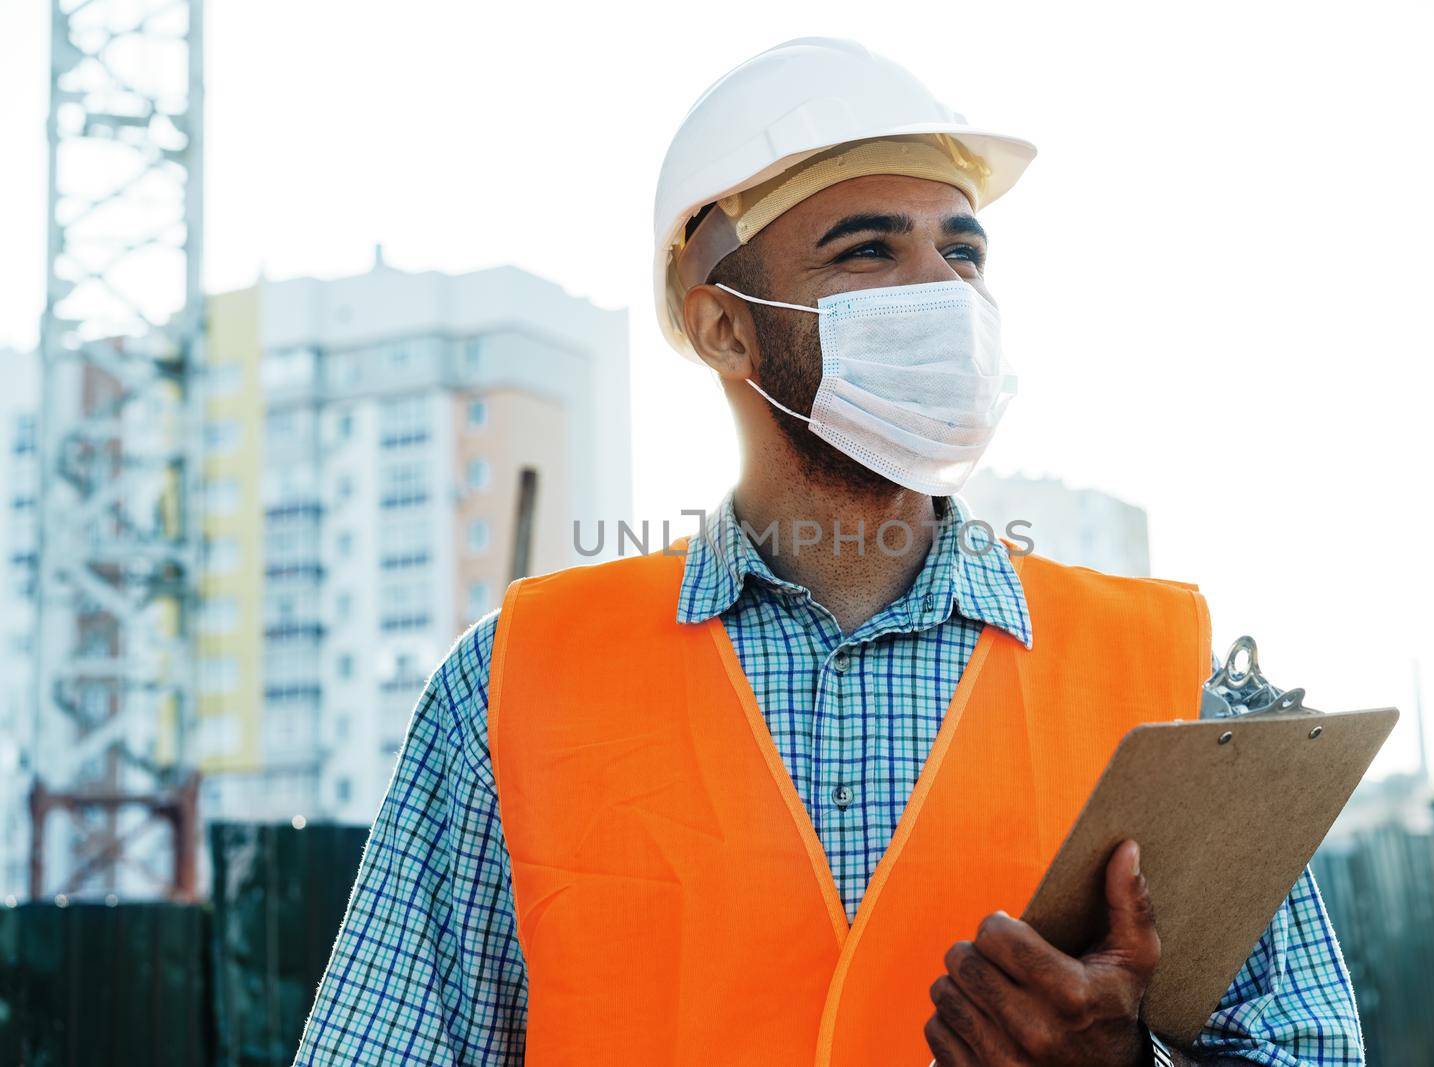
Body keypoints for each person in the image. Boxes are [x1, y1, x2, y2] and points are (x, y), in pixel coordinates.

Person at [295, 37, 1364, 1067]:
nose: (941, 289)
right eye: (867, 248)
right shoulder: (514, 682)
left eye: (962, 248)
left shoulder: (1160, 675)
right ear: (723, 328)